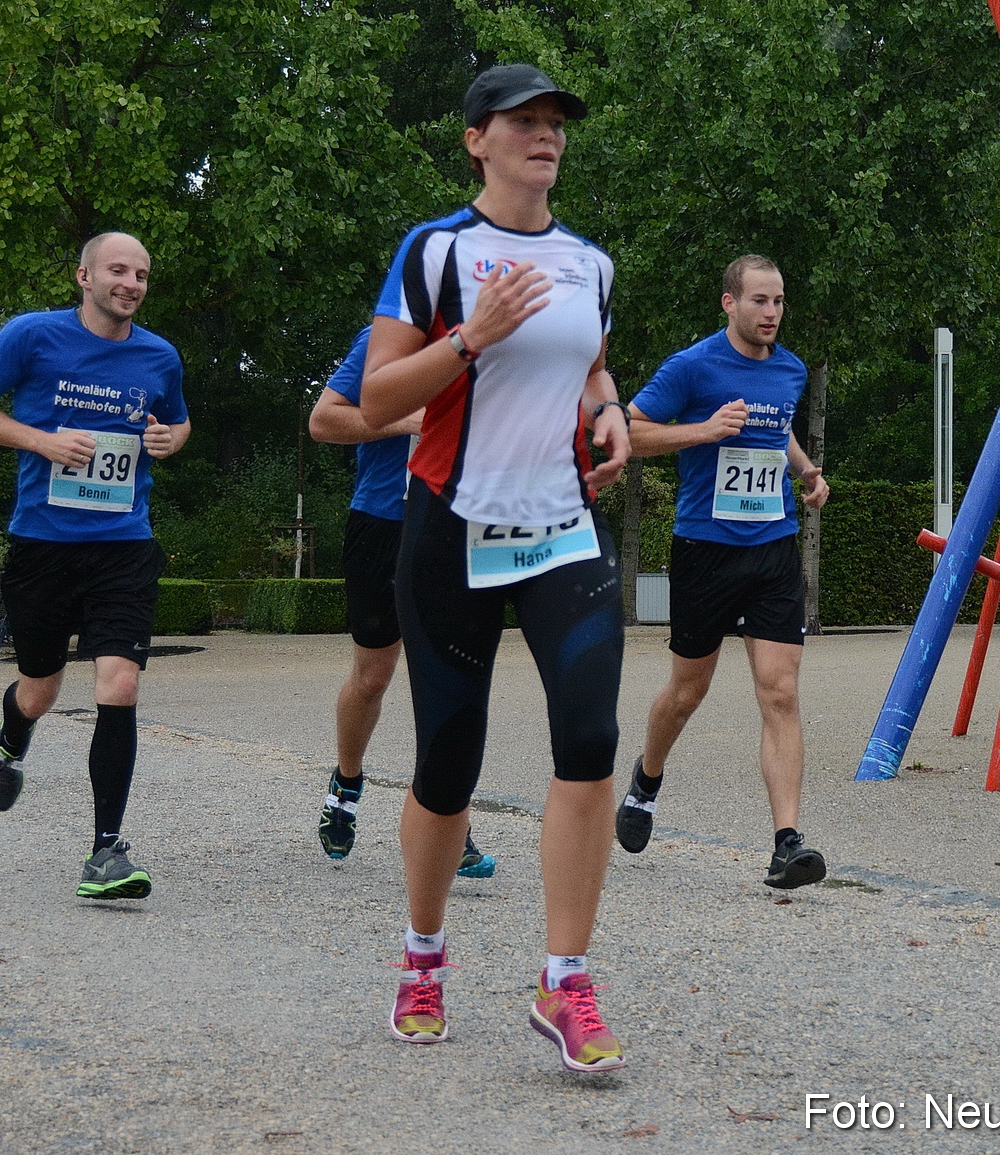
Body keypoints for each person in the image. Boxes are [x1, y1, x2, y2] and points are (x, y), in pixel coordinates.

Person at [362, 64, 630, 1073]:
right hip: (451, 532)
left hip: (562, 530)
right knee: (447, 762)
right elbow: (381, 399)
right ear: (475, 138)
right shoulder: (436, 254)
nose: (545, 135)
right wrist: (472, 338)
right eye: (524, 121)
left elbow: (591, 365)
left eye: (555, 122)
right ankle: (423, 956)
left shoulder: (589, 263)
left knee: (592, 737)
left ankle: (566, 980)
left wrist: (608, 411)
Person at [0, 230, 190, 900]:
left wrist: (170, 438)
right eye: (118, 269)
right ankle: (11, 737)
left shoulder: (159, 355)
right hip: (44, 545)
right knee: (40, 689)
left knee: (120, 685)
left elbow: (177, 422)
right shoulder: (32, 336)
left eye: (141, 273)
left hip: (123, 544)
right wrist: (42, 441)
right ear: (84, 275)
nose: (131, 283)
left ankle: (105, 850)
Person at [618, 255, 831, 890]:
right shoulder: (692, 366)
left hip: (772, 549)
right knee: (688, 692)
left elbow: (777, 430)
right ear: (729, 304)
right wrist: (703, 430)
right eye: (760, 301)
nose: (771, 313)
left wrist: (805, 471)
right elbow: (630, 428)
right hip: (705, 549)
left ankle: (787, 842)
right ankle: (647, 778)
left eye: (779, 301)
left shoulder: (791, 369)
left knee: (781, 691)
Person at [309, 327, 496, 878]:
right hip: (384, 521)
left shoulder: (498, 341)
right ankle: (346, 782)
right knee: (373, 675)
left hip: (454, 525)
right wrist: (410, 421)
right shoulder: (384, 340)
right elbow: (323, 422)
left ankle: (447, 819)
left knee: (445, 677)